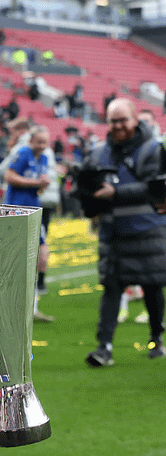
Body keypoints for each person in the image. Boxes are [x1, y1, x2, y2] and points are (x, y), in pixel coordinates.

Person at [82, 98, 166, 366]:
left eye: (123, 120)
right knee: (111, 289)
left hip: (147, 230)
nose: (118, 126)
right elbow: (87, 185)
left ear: (135, 120)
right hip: (112, 233)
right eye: (112, 121)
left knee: (152, 288)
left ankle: (156, 339)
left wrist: (115, 193)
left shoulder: (153, 149)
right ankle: (103, 348)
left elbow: (155, 188)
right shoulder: (99, 152)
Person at [3, 125, 55, 322]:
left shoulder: (43, 158)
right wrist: (35, 183)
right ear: (31, 141)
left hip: (34, 209)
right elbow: (9, 176)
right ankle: (16, 307)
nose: (42, 146)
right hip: (16, 211)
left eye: (45, 142)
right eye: (39, 142)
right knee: (19, 259)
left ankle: (31, 308)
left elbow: (35, 189)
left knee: (40, 254)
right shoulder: (23, 153)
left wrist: (41, 186)